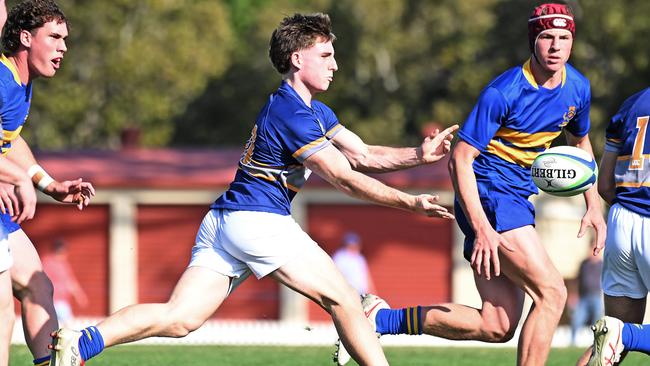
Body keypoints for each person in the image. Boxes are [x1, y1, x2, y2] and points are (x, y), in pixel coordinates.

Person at [51, 12, 457, 366]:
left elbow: (364, 155)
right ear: (297, 60)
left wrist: (418, 156)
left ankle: (81, 342)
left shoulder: (314, 111)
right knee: (349, 303)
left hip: (225, 221)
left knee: (179, 318)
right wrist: (410, 203)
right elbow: (345, 177)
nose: (336, 65)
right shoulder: (293, 114)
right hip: (258, 221)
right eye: (326, 56)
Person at [334, 4, 606, 366]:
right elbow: (460, 158)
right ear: (533, 42)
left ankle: (379, 319)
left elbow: (581, 145)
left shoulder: (579, 88)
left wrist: (594, 206)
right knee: (553, 294)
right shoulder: (504, 91)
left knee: (496, 324)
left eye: (564, 38)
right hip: (490, 195)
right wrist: (481, 228)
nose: (556, 46)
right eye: (547, 37)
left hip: (516, 197)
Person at [0, 1, 95, 365]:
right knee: (2, 312)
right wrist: (17, 180)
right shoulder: (3, 80)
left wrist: (46, 183)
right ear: (25, 38)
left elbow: (11, 140)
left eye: (65, 39)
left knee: (38, 284)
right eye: (54, 37)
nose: (63, 47)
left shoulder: (19, 84)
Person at [574, 87, 650, 366]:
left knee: (608, 345)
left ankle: (623, 334)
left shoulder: (631, 103)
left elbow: (605, 184)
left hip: (622, 222)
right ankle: (627, 335)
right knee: (624, 334)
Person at [41, 239, 88, 327]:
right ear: (61, 250)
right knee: (69, 324)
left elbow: (70, 281)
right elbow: (41, 279)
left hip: (62, 300)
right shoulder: (47, 262)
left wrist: (79, 296)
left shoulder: (63, 264)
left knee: (56, 325)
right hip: (55, 299)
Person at [570, 247, 603, 346]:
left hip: (597, 297)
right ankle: (572, 342)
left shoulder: (602, 265)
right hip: (583, 298)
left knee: (597, 322)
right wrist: (573, 295)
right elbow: (577, 280)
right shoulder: (584, 264)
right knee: (577, 319)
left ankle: (596, 343)